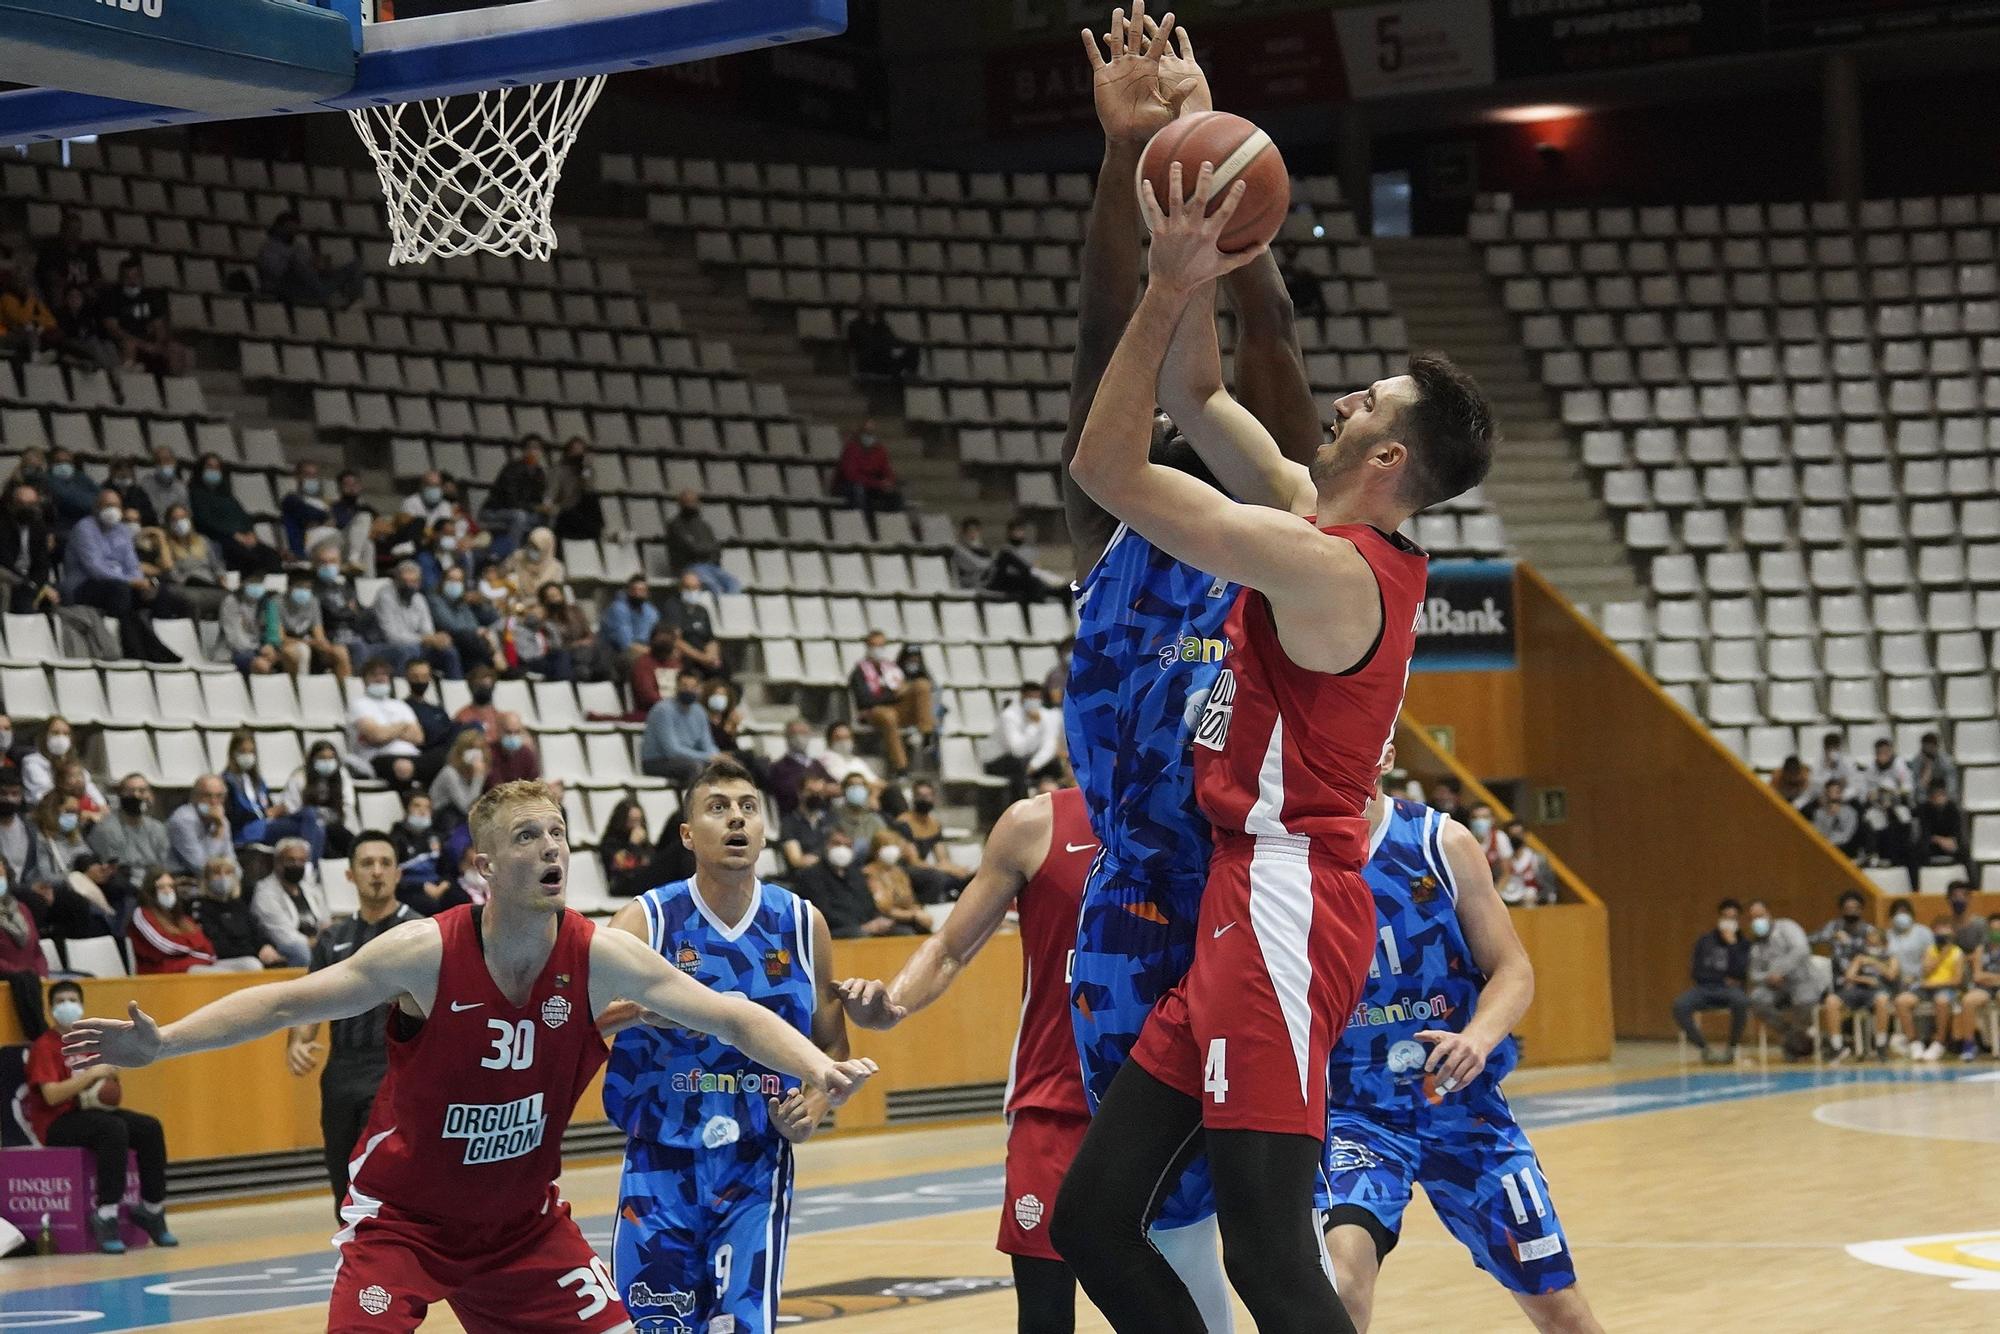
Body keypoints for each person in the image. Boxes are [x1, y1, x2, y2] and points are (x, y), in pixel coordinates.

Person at [1054, 19, 1493, 1330]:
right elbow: (1194, 390)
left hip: (1293, 899)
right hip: (1252, 898)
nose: (1350, 395)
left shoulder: (1330, 568)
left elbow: (1113, 469)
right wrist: (1200, 172)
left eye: (1373, 401)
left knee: (1267, 1254)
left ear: (1393, 465)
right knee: (1093, 1221)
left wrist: (1165, 275)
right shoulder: (1323, 516)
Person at [66, 779, 878, 1334]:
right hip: (405, 1224)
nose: (552, 848)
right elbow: (288, 999)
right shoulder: (423, 951)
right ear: (486, 867)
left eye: (558, 832)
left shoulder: (597, 955)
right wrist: (164, 1042)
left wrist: (815, 1064)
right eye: (529, 836)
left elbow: (730, 1014)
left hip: (522, 1231)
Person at [1039, 12, 1331, 1314]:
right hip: (1131, 917)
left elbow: (1268, 369)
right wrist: (1135, 158)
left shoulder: (1283, 539)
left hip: (1241, 903)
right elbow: (1111, 327)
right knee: (1138, 1229)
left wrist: (1234, 194)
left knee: (1277, 1231)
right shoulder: (1117, 518)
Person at [840, 784, 1233, 1333]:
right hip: (1055, 1098)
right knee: (1044, 1312)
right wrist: (891, 1006)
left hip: (1162, 1102)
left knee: (1184, 1295)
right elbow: (950, 948)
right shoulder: (1033, 823)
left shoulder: (1200, 812)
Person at [1321, 754, 1600, 1334]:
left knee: (1563, 1313)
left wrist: (1477, 1038)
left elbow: (1513, 969)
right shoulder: (1292, 854)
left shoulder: (1440, 842)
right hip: (1354, 1112)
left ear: (1388, 754)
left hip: (1462, 1106)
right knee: (1342, 1283)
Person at [600, 759, 853, 1331]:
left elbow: (831, 1047)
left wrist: (809, 1112)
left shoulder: (801, 922)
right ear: (688, 834)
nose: (736, 818)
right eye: (718, 807)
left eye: (748, 807)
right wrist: (639, 1009)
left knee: (743, 1324)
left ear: (764, 830)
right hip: (659, 1162)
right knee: (654, 1324)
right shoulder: (646, 920)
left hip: (756, 1164)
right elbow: (574, 1022)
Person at [284, 832, 416, 1218]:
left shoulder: (422, 931)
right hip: (342, 1071)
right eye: (366, 864)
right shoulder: (334, 939)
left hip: (397, 1069)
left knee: (384, 1179)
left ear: (397, 873)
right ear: (350, 875)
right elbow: (309, 1001)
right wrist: (297, 1042)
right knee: (344, 1184)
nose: (376, 872)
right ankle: (354, 1266)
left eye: (385, 863)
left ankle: (395, 1266)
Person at [25, 980, 178, 1252]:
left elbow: (107, 1091)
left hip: (92, 1115)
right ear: (50, 1009)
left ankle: (152, 1208)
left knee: (149, 1127)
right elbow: (51, 1096)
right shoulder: (45, 1046)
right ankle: (106, 1213)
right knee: (112, 1128)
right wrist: (91, 1076)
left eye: (72, 1000)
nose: (67, 1006)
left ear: (82, 1006)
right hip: (57, 1122)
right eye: (60, 1001)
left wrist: (107, 1084)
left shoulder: (89, 1042)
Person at [60, 486, 187, 662]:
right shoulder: (84, 528)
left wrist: (142, 583)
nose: (113, 510)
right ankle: (140, 650)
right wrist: (132, 582)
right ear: (97, 507)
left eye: (117, 506)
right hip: (83, 586)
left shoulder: (122, 531)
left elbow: (133, 565)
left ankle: (151, 646)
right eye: (108, 505)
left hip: (119, 586)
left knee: (159, 592)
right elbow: (96, 569)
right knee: (121, 591)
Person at [223, 728, 328, 861]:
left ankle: (310, 868)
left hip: (267, 825)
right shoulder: (227, 782)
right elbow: (234, 817)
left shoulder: (257, 781)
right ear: (233, 753)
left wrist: (279, 811)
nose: (248, 756)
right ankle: (308, 869)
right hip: (247, 831)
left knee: (315, 821)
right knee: (311, 820)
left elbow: (269, 806)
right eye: (243, 751)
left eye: (251, 752)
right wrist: (265, 813)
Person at [1669, 898, 1751, 1063]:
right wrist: (1723, 978)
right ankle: (1704, 1048)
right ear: (1719, 918)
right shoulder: (1705, 941)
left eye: (1733, 918)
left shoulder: (1743, 944)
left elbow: (1742, 973)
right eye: (1725, 917)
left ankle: (1732, 1047)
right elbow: (1697, 972)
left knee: (1741, 1002)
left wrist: (1733, 945)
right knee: (1680, 1005)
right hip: (1705, 988)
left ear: (1738, 920)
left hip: (1731, 992)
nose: (1729, 922)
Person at [130, 866, 249, 974]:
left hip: (194, 963)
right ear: (150, 891)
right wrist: (195, 950)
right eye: (161, 887)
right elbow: (166, 946)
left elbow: (205, 944)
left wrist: (197, 952)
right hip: (163, 972)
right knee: (222, 975)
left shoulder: (181, 917)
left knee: (250, 965)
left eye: (170, 886)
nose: (167, 891)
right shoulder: (142, 914)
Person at [849, 629, 936, 777]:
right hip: (874, 712)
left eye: (881, 646)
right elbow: (864, 700)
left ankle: (927, 733)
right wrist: (892, 696)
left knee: (922, 685)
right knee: (888, 716)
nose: (878, 650)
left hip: (897, 709)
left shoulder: (892, 668)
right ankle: (901, 767)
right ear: (868, 646)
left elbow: (902, 689)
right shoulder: (859, 672)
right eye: (874, 646)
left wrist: (903, 691)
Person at [1745, 899, 1821, 1057]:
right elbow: (1753, 974)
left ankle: (1795, 1043)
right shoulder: (1756, 946)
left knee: (1805, 1000)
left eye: (1760, 916)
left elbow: (1802, 950)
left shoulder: (1787, 927)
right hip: (1775, 986)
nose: (1758, 921)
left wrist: (1781, 971)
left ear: (1768, 914)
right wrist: (1768, 977)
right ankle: (1791, 1035)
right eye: (1753, 918)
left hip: (1802, 980)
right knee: (1757, 998)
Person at [791, 829, 902, 937]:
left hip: (863, 926)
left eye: (848, 845)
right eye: (836, 844)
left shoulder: (856, 874)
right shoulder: (810, 875)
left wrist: (877, 921)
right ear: (825, 845)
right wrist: (862, 927)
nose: (842, 849)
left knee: (902, 931)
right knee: (858, 933)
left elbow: (868, 903)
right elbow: (822, 912)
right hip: (831, 930)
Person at [93, 255, 191, 375]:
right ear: (121, 277)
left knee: (176, 349)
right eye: (128, 277)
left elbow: (159, 326)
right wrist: (144, 345)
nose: (132, 281)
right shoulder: (112, 297)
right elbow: (113, 329)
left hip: (149, 341)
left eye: (135, 276)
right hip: (124, 342)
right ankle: (129, 381)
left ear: (141, 276)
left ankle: (175, 385)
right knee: (130, 345)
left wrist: (159, 344)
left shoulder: (149, 297)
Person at [349, 656, 436, 786]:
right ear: (364, 680)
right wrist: (402, 726)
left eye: (384, 675)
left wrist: (386, 731)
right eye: (374, 675)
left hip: (412, 756)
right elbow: (377, 736)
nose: (380, 678)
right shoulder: (358, 704)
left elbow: (418, 737)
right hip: (377, 758)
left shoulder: (400, 705)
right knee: (403, 768)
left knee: (445, 764)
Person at [190, 455, 282, 576]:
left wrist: (250, 533)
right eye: (210, 467)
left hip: (244, 538)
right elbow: (204, 521)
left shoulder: (226, 494)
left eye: (217, 467)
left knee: (272, 556)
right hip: (220, 538)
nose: (214, 471)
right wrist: (234, 535)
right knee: (249, 558)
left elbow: (243, 516)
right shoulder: (196, 494)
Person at [1821, 921, 1896, 1063]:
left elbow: (1891, 975)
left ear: (1884, 944)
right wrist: (1864, 977)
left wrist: (1875, 963)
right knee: (1831, 1000)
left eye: (1875, 944)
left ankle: (1880, 1045)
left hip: (1878, 990)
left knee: (1882, 1000)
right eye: (1869, 943)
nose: (1871, 946)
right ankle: (1837, 1047)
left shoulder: (1890, 957)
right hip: (1858, 989)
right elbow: (1849, 976)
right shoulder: (1860, 957)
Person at [1895, 916, 1968, 1062]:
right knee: (1901, 1000)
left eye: (1946, 935)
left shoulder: (1958, 953)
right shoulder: (1930, 950)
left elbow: (1957, 980)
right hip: (1926, 988)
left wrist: (1934, 984)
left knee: (1941, 1001)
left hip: (1945, 988)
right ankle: (1914, 1042)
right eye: (1939, 934)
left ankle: (1939, 1043)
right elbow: (1926, 972)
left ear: (1952, 936)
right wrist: (1941, 955)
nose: (1943, 938)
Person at [374, 559, 463, 678]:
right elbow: (392, 636)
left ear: (419, 582)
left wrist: (436, 640)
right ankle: (404, 689)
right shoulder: (385, 596)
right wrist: (424, 639)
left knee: (449, 652)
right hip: (385, 646)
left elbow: (428, 631)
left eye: (413, 582)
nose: (409, 586)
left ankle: (455, 690)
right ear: (396, 580)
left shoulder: (419, 598)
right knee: (409, 651)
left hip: (416, 645)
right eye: (405, 581)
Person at [257, 210, 364, 308]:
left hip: (311, 285)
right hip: (286, 289)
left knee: (356, 265)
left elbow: (312, 264)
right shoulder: (269, 249)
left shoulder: (299, 247)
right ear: (279, 228)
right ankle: (323, 293)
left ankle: (352, 301)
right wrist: (295, 262)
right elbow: (277, 273)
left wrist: (321, 265)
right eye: (289, 227)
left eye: (294, 228)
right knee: (297, 265)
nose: (292, 231)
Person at [194, 858, 284, 969]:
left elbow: (256, 930)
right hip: (221, 959)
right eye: (217, 873)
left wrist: (265, 946)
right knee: (252, 965)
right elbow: (217, 944)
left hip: (249, 955)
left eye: (228, 873)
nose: (223, 878)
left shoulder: (239, 904)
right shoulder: (201, 906)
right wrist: (256, 952)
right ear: (207, 879)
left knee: (280, 960)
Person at [251, 838, 328, 967]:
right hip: (286, 947)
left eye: (301, 861)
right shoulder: (265, 893)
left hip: (317, 942)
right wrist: (321, 942)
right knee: (300, 951)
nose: (297, 865)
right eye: (291, 860)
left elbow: (326, 921)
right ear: (277, 862)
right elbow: (285, 936)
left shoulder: (310, 888)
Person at [986, 682, 1066, 801]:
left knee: (1054, 765)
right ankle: (1019, 806)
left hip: (1028, 761)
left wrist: (1034, 765)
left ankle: (1058, 805)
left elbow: (1049, 745)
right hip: (998, 761)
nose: (1034, 701)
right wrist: (1034, 725)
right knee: (1019, 767)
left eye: (1037, 698)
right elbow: (1017, 750)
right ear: (1022, 697)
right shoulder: (1009, 716)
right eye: (1030, 697)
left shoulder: (1044, 715)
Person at [640, 667, 718, 785]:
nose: (688, 690)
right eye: (684, 686)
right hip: (657, 761)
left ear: (700, 689)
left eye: (693, 687)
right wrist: (707, 757)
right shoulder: (663, 710)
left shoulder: (699, 711)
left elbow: (707, 743)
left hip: (689, 759)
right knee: (694, 767)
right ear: (676, 686)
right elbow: (672, 751)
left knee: (725, 767)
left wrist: (717, 756)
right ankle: (692, 803)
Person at [391, 793, 462, 917]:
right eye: (417, 806)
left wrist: (444, 883)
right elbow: (393, 876)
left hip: (437, 885)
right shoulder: (396, 838)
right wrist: (421, 886)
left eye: (427, 807)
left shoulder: (436, 838)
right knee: (429, 905)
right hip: (409, 889)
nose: (422, 811)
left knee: (461, 899)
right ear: (406, 810)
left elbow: (447, 868)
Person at [284, 740, 356, 858]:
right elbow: (293, 809)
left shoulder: (342, 775)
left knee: (348, 840)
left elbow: (348, 804)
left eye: (331, 758)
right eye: (322, 758)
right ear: (312, 760)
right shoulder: (299, 776)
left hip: (334, 827)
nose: (327, 762)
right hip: (306, 828)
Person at [0, 866, 49, 1039]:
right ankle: (41, 1039)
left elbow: (37, 950)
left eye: (0, 873)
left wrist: (41, 973)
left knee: (27, 980)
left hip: (30, 978)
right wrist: (18, 972)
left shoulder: (22, 908)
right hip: (8, 976)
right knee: (24, 980)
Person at [480, 440, 550, 554]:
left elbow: (538, 498)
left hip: (524, 510)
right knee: (519, 516)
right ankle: (512, 554)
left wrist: (544, 507)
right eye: (532, 449)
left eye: (538, 450)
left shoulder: (539, 473)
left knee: (546, 518)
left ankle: (536, 556)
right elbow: (510, 500)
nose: (535, 453)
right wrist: (534, 508)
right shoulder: (512, 469)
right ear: (525, 451)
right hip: (495, 511)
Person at [664, 490, 739, 593]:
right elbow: (693, 549)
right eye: (687, 501)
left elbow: (716, 549)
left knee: (733, 584)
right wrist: (708, 548)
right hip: (688, 568)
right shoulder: (675, 525)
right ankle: (718, 608)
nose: (691, 504)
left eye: (693, 501)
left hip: (711, 566)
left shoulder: (704, 525)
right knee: (714, 587)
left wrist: (706, 549)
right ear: (680, 504)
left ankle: (730, 608)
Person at [0, 480, 57, 613]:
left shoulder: (39, 527)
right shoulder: (3, 525)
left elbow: (42, 563)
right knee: (22, 595)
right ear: (12, 504)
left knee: (53, 596)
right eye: (21, 504)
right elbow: (5, 561)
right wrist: (29, 583)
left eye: (31, 504)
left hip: (30, 579)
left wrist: (36, 584)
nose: (26, 508)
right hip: (10, 576)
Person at [862, 837, 932, 935]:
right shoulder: (869, 873)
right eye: (887, 845)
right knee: (907, 932)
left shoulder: (899, 872)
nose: (892, 849)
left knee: (926, 927)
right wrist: (913, 914)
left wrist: (919, 912)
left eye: (895, 845)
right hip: (882, 917)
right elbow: (884, 907)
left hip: (904, 915)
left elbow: (910, 901)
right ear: (876, 850)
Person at [166, 775, 234, 876]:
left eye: (219, 796)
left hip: (215, 879)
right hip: (183, 877)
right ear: (194, 797)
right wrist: (218, 830)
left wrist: (235, 875)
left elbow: (231, 858)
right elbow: (201, 867)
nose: (214, 802)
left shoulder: (222, 820)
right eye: (207, 796)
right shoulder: (182, 820)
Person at [23, 717, 96, 807]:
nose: (61, 738)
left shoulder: (73, 763)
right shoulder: (32, 762)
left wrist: (100, 805)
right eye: (55, 733)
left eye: (66, 734)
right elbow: (43, 793)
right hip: (43, 813)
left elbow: (89, 786)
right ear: (44, 736)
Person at [834, 420, 903, 514]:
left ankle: (891, 523)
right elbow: (851, 476)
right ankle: (862, 523)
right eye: (866, 432)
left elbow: (887, 470)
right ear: (860, 433)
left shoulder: (880, 450)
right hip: (849, 486)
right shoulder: (851, 449)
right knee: (858, 490)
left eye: (871, 432)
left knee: (894, 494)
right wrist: (876, 483)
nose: (869, 436)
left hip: (871, 485)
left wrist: (888, 481)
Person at [664, 569, 724, 677]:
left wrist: (712, 656)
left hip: (703, 654)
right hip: (686, 655)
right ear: (680, 588)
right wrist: (702, 658)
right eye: (688, 587)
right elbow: (676, 640)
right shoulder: (672, 607)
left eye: (695, 587)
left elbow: (710, 639)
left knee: (722, 665)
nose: (692, 591)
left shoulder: (702, 610)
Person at [768, 719, 832, 818]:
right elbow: (787, 792)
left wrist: (822, 788)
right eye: (794, 733)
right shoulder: (778, 767)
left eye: (803, 733)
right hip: (794, 819)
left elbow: (833, 785)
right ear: (787, 737)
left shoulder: (816, 764)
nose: (799, 737)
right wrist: (810, 788)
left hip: (822, 817)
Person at [845, 298, 919, 381]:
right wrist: (888, 348)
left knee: (912, 347)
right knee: (883, 350)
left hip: (886, 357)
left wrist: (902, 347)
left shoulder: (881, 323)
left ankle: (909, 373)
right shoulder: (855, 325)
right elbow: (867, 342)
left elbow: (892, 338)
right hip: (870, 360)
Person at [429, 731, 489, 830]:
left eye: (479, 749)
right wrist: (478, 777)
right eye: (470, 748)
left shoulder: (474, 772)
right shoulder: (449, 772)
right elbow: (467, 808)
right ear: (460, 751)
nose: (475, 754)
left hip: (458, 818)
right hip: (440, 818)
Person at [778, 773, 838, 873]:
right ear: (800, 793)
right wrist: (827, 857)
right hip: (806, 876)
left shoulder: (831, 819)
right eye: (811, 792)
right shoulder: (789, 823)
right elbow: (797, 860)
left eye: (820, 793)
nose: (816, 796)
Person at [597, 798, 655, 899]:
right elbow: (622, 866)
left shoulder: (644, 843)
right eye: (632, 821)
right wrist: (633, 845)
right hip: (622, 883)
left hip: (643, 881)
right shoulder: (610, 842)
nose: (636, 826)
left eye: (639, 821)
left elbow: (650, 862)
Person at [1961, 914, 2000, 1061]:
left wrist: (1988, 977)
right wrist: (1995, 978)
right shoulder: (1981, 949)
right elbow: (1977, 976)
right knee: (1968, 1001)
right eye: (1994, 929)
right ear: (1988, 931)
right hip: (1984, 988)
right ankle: (1969, 1045)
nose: (1997, 932)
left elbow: (1983, 975)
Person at [597, 574, 659, 662]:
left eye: (642, 590)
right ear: (628, 591)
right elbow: (625, 644)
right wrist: (655, 654)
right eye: (634, 590)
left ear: (647, 592)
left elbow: (656, 634)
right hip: (616, 653)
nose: (638, 593)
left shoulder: (651, 611)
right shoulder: (618, 609)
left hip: (644, 650)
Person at [1917, 780, 1970, 881]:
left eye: (1940, 795)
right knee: (1918, 852)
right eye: (1934, 796)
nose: (1938, 798)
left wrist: (1953, 842)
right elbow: (1925, 832)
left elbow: (1957, 831)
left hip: (1949, 844)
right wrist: (1939, 840)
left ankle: (1970, 885)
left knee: (1965, 852)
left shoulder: (1953, 809)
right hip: (1931, 844)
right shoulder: (1924, 809)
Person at [1803, 779, 1863, 858]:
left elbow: (1847, 834)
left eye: (1837, 792)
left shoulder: (1850, 812)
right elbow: (1816, 830)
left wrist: (1830, 842)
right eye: (1831, 791)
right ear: (1826, 792)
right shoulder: (1819, 812)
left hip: (1842, 848)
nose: (1834, 795)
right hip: (1820, 847)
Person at [489, 713, 542, 787]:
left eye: (517, 732)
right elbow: (494, 785)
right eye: (508, 732)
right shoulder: (489, 752)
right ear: (499, 730)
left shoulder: (527, 754)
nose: (512, 736)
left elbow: (535, 783)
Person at [1913, 731, 1959, 804]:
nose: (1929, 749)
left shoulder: (1946, 760)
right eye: (1926, 746)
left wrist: (1944, 796)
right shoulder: (1917, 761)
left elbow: (1951, 783)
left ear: (1936, 746)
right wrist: (1927, 769)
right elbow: (1918, 787)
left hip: (1943, 794)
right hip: (1926, 796)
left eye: (1931, 746)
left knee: (1952, 799)